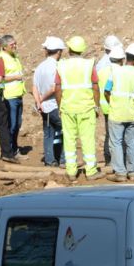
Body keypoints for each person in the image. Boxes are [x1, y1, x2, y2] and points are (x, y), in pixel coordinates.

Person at [55, 36, 105, 181]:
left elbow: (57, 88)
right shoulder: (89, 65)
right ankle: (91, 171)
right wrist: (96, 105)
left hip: (68, 108)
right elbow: (96, 87)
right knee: (88, 139)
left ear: (69, 49)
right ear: (82, 50)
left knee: (69, 140)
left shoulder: (61, 65)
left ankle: (71, 172)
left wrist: (60, 106)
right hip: (86, 107)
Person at [104, 43, 134, 182]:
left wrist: (112, 102)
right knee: (132, 143)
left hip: (116, 113)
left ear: (126, 56)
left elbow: (106, 90)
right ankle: (133, 172)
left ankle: (120, 173)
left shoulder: (115, 72)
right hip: (132, 113)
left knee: (116, 143)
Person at [32, 36, 66, 167]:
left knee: (48, 134)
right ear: (58, 51)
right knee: (65, 131)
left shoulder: (40, 66)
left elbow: (34, 86)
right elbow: (54, 88)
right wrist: (41, 99)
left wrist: (38, 102)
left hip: (43, 107)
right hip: (54, 105)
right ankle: (63, 160)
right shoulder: (57, 66)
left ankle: (50, 160)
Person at [0, 35, 28, 159]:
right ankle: (9, 151)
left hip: (18, 94)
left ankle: (14, 149)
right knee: (11, 125)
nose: (15, 46)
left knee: (17, 123)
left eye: (15, 43)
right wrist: (16, 77)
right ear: (5, 47)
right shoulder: (2, 58)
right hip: (9, 95)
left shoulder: (14, 57)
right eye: (12, 45)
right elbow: (1, 77)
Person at [97, 46, 125, 167]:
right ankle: (120, 160)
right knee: (120, 135)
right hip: (119, 107)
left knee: (109, 133)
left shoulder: (102, 71)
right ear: (122, 59)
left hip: (106, 108)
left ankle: (108, 159)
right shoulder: (123, 72)